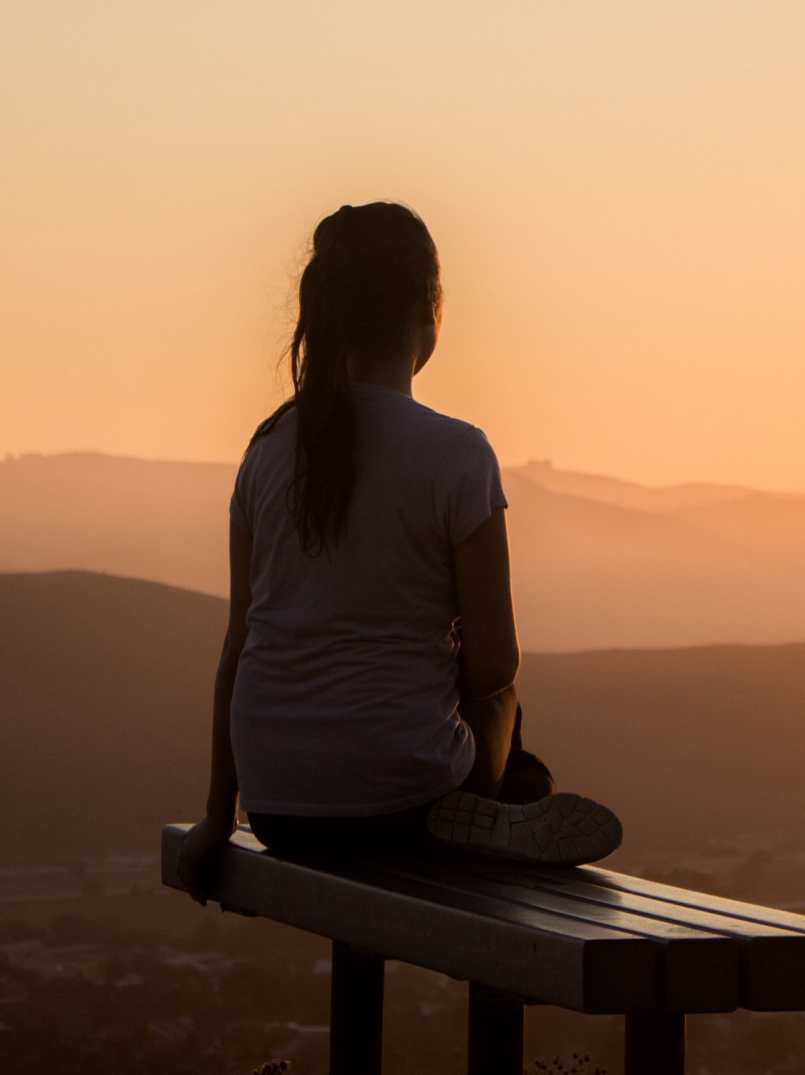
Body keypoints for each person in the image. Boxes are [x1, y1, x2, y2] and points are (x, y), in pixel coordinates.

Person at [176, 201, 622, 900]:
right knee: (507, 707)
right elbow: (494, 665)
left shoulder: (265, 450)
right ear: (430, 311)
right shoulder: (456, 453)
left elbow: (239, 646)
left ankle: (499, 803)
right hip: (404, 804)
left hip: (277, 810)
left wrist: (215, 816)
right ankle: (505, 803)